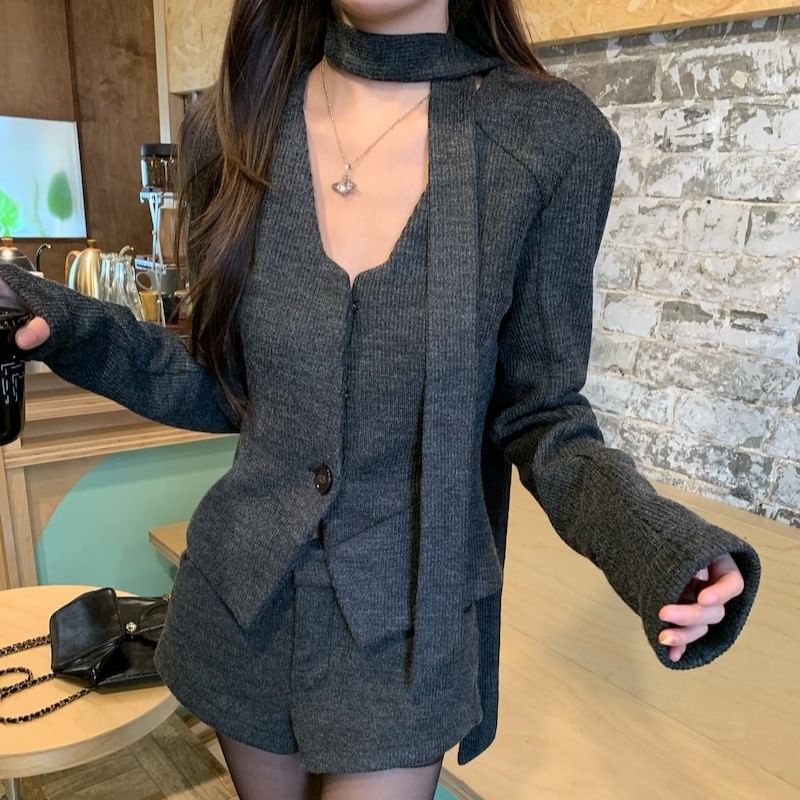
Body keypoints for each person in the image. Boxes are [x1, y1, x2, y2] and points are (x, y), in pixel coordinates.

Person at [0, 1, 761, 799]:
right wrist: (63, 323)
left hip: (408, 636)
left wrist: (655, 543)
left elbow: (541, 415)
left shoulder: (550, 139)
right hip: (240, 607)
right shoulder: (232, 126)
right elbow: (223, 384)